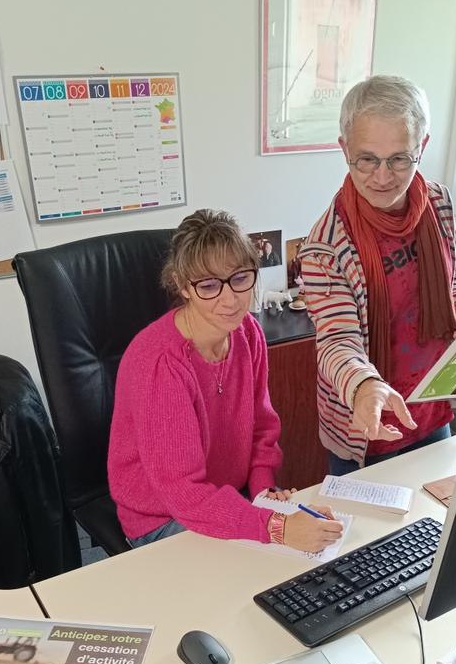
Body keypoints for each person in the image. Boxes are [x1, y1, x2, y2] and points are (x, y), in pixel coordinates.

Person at [108, 208, 342, 552]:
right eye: (209, 286)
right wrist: (277, 527)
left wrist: (264, 493)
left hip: (229, 496)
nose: (230, 300)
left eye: (240, 278)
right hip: (164, 516)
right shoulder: (160, 363)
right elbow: (184, 493)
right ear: (182, 285)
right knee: (266, 570)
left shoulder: (248, 333)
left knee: (309, 560)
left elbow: (262, 429)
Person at [300, 75, 456, 475]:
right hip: (367, 426)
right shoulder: (326, 246)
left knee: (435, 511)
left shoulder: (438, 203)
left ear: (423, 146)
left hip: (431, 409)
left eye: (399, 159)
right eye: (367, 159)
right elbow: (337, 340)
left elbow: (453, 277)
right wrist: (365, 386)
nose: (383, 177)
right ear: (345, 149)